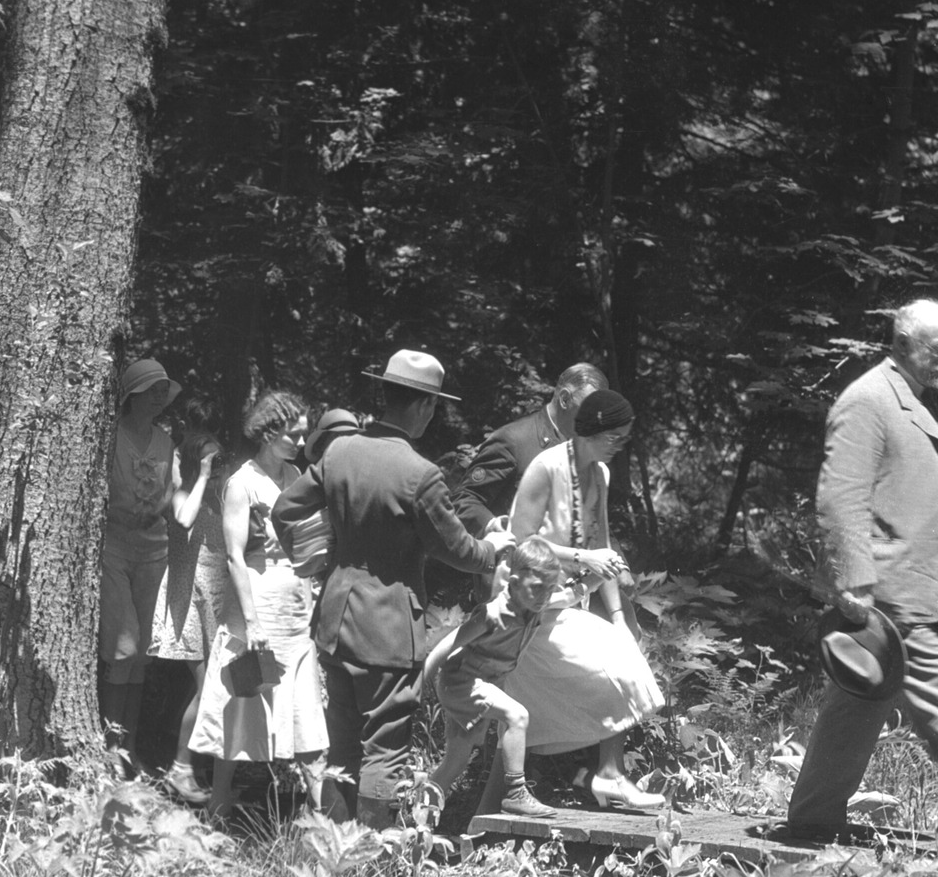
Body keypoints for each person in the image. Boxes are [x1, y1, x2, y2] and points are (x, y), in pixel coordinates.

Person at [271, 350, 515, 827]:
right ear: (424, 406)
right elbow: (456, 550)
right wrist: (493, 548)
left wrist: (320, 554)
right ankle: (374, 857)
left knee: (341, 740)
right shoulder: (419, 474)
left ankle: (333, 846)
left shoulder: (339, 451)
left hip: (335, 622)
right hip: (386, 630)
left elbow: (284, 510)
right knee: (385, 744)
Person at [787, 299, 938, 832]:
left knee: (854, 710)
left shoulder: (918, 401)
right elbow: (841, 497)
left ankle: (812, 820)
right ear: (903, 344)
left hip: (913, 590)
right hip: (889, 597)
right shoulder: (869, 400)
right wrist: (853, 583)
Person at [500, 389, 666, 810]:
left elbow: (602, 547)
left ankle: (608, 775)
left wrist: (618, 616)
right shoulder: (547, 466)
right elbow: (519, 541)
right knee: (597, 676)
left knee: (626, 656)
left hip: (567, 605)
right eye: (617, 438)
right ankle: (505, 797)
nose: (621, 446)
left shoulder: (601, 475)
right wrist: (581, 557)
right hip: (526, 611)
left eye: (625, 440)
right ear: (594, 431)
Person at [186, 393, 326, 819]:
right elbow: (234, 557)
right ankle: (220, 800)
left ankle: (321, 811)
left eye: (304, 434)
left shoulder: (298, 476)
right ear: (269, 433)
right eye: (293, 434)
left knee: (305, 704)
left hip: (296, 604)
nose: (301, 443)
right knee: (242, 697)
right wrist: (251, 622)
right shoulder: (241, 484)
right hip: (258, 602)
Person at [419, 535, 565, 817]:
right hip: (462, 682)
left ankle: (416, 820)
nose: (544, 596)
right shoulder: (493, 613)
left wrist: (600, 569)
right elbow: (447, 645)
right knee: (517, 716)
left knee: (455, 762)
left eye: (549, 589)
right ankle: (515, 792)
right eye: (537, 588)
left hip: (479, 683)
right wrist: (415, 688)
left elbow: (571, 595)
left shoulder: (533, 605)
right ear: (513, 582)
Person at [99, 358, 182, 760]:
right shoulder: (109, 438)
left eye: (163, 391)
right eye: (152, 389)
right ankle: (110, 744)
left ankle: (127, 747)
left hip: (154, 551)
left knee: (142, 652)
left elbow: (174, 491)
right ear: (132, 394)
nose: (159, 397)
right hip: (113, 549)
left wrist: (159, 506)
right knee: (123, 644)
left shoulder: (166, 443)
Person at [153, 424, 224, 804]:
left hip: (215, 602)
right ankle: (181, 767)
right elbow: (183, 520)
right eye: (209, 459)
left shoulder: (221, 499)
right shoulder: (184, 493)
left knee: (216, 688)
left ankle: (196, 766)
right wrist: (202, 477)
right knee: (207, 688)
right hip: (188, 602)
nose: (216, 467)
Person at [454, 364, 607, 536]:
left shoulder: (586, 452)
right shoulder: (514, 441)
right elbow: (465, 500)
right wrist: (494, 526)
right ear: (564, 399)